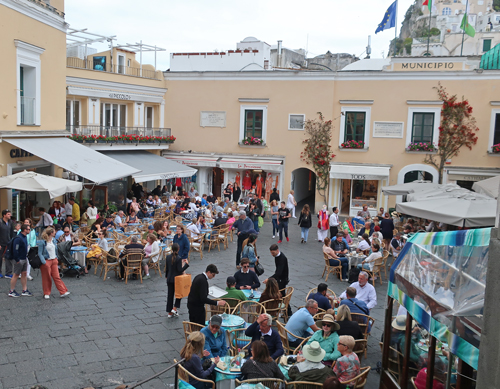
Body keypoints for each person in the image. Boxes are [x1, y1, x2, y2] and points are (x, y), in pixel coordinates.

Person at [36, 226, 70, 299]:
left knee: (57, 277)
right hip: (47, 260)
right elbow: (40, 253)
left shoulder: (54, 240)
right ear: (51, 233)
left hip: (54, 260)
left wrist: (56, 258)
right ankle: (46, 293)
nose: (55, 233)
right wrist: (44, 262)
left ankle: (62, 291)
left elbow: (56, 250)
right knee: (46, 278)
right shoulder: (43, 242)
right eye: (54, 232)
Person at [8, 224, 34, 297]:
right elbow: (15, 249)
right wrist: (17, 259)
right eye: (28, 229)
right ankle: (11, 290)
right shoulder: (18, 238)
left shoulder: (24, 237)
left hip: (24, 258)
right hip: (19, 259)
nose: (29, 230)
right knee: (16, 274)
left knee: (24, 273)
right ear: (25, 230)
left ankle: (24, 290)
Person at [165, 243, 189, 318]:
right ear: (178, 249)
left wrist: (166, 276)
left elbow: (167, 268)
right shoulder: (178, 258)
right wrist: (186, 265)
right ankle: (175, 308)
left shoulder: (168, 257)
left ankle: (169, 312)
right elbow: (179, 270)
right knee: (179, 294)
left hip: (169, 279)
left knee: (170, 295)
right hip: (177, 279)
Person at [0, 209, 15, 279]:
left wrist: (12, 241)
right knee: (0, 258)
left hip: (9, 243)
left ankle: (8, 273)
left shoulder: (10, 222)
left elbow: (12, 232)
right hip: (1, 243)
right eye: (8, 214)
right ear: (4, 215)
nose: (10, 215)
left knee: (9, 258)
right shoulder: (0, 222)